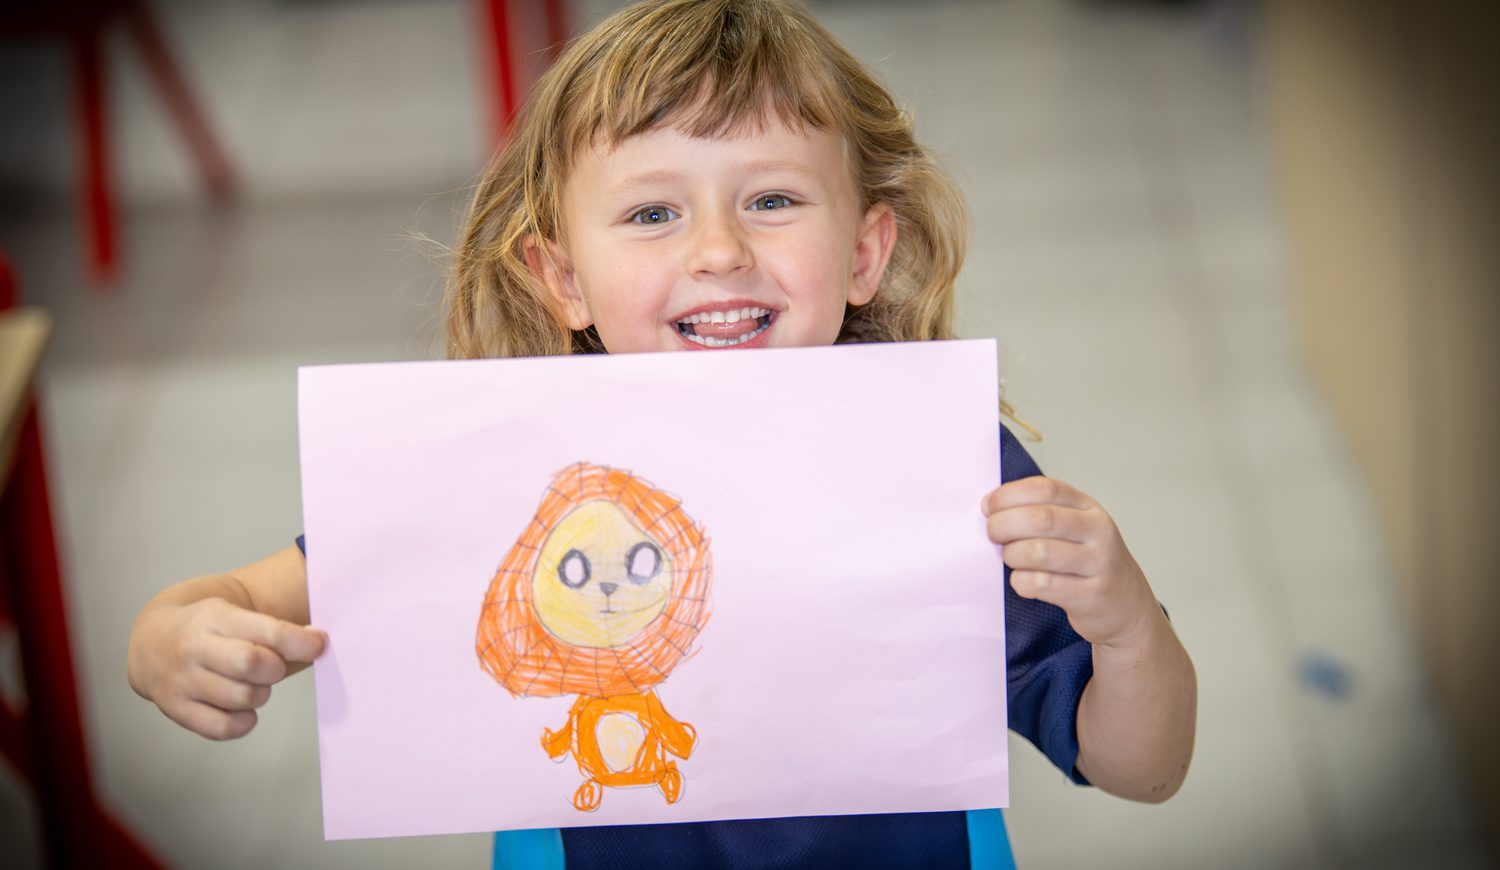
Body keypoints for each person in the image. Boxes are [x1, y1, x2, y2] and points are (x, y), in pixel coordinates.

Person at [126, 0, 1197, 866]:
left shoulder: (940, 470)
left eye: (772, 199)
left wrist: (1131, 624)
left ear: (868, 251)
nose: (720, 251)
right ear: (562, 279)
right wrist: (173, 635)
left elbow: (1141, 767)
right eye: (652, 214)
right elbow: (230, 601)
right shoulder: (504, 482)